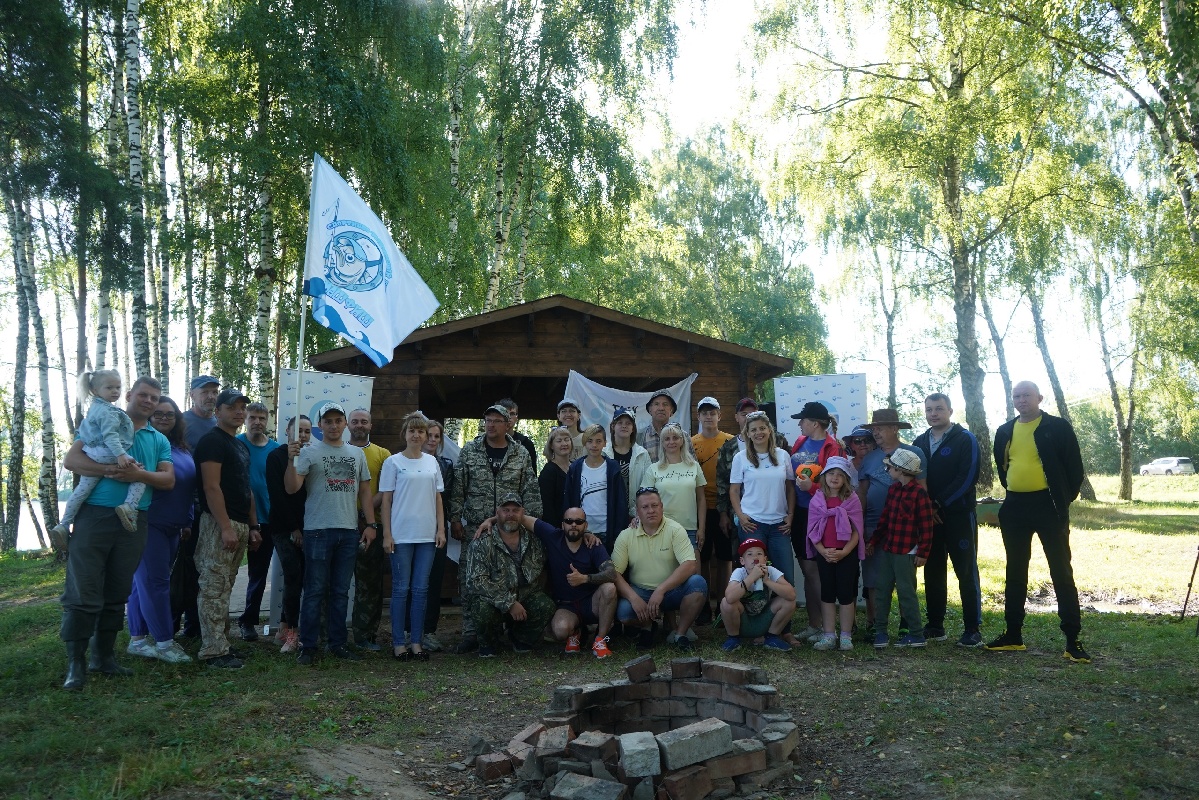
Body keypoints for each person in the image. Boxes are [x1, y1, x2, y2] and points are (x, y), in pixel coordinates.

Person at [59, 376, 174, 691]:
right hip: (93, 517)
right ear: (129, 395)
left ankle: (104, 657)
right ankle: (76, 664)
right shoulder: (104, 419)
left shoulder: (157, 439)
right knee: (82, 591)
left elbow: (168, 480)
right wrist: (110, 470)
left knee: (117, 590)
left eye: (154, 398)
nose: (149, 401)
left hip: (133, 520)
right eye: (144, 395)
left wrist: (137, 474)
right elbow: (72, 460)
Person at [986, 381, 1090, 663]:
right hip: (1015, 507)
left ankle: (1072, 640)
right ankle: (1013, 635)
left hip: (1050, 507)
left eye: (1027, 395)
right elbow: (1002, 466)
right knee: (1015, 571)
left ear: (1039, 398)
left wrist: (1061, 500)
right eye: (1017, 396)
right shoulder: (1005, 430)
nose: (1022, 400)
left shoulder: (1057, 427)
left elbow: (1074, 469)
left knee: (1061, 571)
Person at [286, 402, 378, 665]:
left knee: (340, 592)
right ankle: (309, 646)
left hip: (349, 531)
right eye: (329, 421)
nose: (334, 425)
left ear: (345, 424)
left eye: (339, 420)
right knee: (314, 590)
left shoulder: (356, 454)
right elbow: (292, 488)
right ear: (320, 425)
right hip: (317, 531)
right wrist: (292, 460)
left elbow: (364, 491)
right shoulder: (308, 452)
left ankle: (337, 644)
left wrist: (371, 525)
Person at [449, 402, 541, 652]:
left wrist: (530, 523)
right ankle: (471, 633)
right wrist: (455, 519)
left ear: (508, 424)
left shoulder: (520, 453)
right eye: (487, 420)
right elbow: (458, 487)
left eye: (497, 420)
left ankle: (509, 629)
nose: (491, 425)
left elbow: (530, 490)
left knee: (510, 579)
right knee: (469, 579)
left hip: (511, 528)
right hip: (476, 528)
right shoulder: (470, 451)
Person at [477, 506, 618, 658]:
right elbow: (521, 517)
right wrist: (491, 520)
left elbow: (611, 574)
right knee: (560, 630)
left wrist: (585, 578)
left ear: (585, 525)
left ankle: (600, 639)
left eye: (579, 521)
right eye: (569, 521)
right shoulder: (552, 536)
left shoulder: (593, 545)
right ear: (562, 524)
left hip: (591, 602)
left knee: (609, 588)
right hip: (567, 605)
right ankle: (575, 632)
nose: (574, 525)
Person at [193, 388, 261, 669]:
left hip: (240, 524)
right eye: (232, 407)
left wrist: (253, 526)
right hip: (219, 524)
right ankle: (213, 652)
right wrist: (224, 527)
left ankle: (223, 644)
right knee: (213, 587)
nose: (239, 412)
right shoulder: (212, 442)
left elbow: (247, 489)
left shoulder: (240, 445)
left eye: (242, 407)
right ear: (218, 411)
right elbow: (211, 487)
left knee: (225, 587)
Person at [125, 396, 196, 665]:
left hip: (175, 526)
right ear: (150, 417)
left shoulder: (180, 449)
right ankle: (165, 642)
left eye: (170, 414)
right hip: (148, 522)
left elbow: (188, 489)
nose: (165, 418)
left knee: (142, 583)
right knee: (155, 583)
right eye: (159, 413)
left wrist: (187, 521)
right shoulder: (143, 443)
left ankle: (138, 640)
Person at [912, 393, 983, 647]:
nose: (933, 413)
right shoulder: (919, 442)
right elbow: (912, 478)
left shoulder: (965, 439)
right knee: (932, 570)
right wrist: (926, 509)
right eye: (929, 409)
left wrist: (938, 503)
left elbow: (968, 477)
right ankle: (935, 625)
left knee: (965, 570)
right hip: (929, 519)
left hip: (959, 516)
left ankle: (973, 628)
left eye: (939, 409)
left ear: (950, 411)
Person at [379, 412, 445, 661]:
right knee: (401, 589)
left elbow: (438, 498)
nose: (416, 435)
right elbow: (386, 500)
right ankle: (399, 643)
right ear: (404, 434)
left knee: (420, 590)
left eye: (421, 432)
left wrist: (440, 529)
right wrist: (387, 533)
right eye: (412, 431)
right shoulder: (393, 462)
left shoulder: (432, 462)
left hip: (427, 536)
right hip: (401, 535)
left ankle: (416, 642)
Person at [51, 370, 146, 542]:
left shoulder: (95, 407)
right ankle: (129, 508)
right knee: (139, 476)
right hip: (108, 453)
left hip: (93, 453)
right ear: (95, 390)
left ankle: (64, 524)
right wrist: (121, 455)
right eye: (109, 387)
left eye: (117, 387)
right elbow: (110, 436)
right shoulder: (108, 412)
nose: (115, 391)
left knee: (81, 490)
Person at [857, 408, 927, 636]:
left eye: (880, 428)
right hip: (873, 525)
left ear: (895, 428)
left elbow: (923, 489)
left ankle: (907, 625)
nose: (875, 432)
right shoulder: (868, 458)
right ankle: (875, 624)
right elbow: (863, 494)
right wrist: (859, 526)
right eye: (873, 428)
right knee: (873, 576)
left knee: (906, 577)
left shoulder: (913, 453)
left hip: (906, 528)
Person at [611, 487, 708, 651]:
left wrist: (661, 589)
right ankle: (648, 626)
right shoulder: (626, 535)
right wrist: (634, 598)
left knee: (698, 583)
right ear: (637, 512)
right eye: (645, 507)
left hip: (671, 591)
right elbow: (614, 573)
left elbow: (690, 564)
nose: (651, 510)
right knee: (624, 613)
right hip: (641, 591)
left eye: (655, 505)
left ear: (662, 506)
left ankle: (680, 634)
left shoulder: (675, 530)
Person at [464, 493, 554, 657]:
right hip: (494, 599)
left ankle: (520, 639)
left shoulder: (534, 540)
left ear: (523, 513)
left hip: (525, 594)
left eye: (515, 510)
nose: (511, 514)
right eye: (506, 510)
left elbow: (562, 538)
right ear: (497, 513)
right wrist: (509, 603)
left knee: (545, 605)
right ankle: (489, 643)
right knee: (482, 609)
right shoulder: (482, 542)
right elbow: (476, 582)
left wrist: (587, 534)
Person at [789, 401, 845, 642]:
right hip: (800, 513)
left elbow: (837, 483)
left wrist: (810, 487)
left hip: (823, 515)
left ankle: (827, 627)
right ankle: (814, 624)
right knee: (807, 569)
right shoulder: (800, 442)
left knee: (819, 571)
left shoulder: (833, 447)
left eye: (802, 420)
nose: (799, 424)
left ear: (814, 423)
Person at [869, 449, 934, 649]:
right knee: (882, 590)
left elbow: (926, 526)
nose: (887, 470)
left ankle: (916, 634)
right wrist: (874, 541)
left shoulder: (919, 494)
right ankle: (880, 632)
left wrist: (923, 553)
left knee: (906, 592)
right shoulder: (894, 490)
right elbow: (885, 519)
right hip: (889, 548)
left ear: (900, 470)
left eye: (890, 467)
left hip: (906, 552)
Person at [172, 374, 220, 640]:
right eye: (205, 391)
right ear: (192, 394)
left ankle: (194, 627)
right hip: (183, 507)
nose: (211, 396)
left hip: (209, 508)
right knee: (180, 568)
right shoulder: (181, 423)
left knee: (201, 568)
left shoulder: (218, 424)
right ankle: (168, 625)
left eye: (214, 392)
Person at [729, 411, 796, 592]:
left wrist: (790, 515)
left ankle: (783, 619)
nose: (759, 432)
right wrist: (741, 516)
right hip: (753, 524)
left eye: (762, 428)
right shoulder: (740, 458)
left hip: (779, 525)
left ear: (769, 430)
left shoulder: (783, 455)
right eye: (753, 430)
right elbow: (734, 491)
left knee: (785, 576)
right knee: (755, 579)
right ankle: (758, 618)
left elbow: (790, 488)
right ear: (748, 434)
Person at [805, 456, 864, 652]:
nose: (835, 478)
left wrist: (845, 551)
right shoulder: (818, 499)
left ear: (846, 478)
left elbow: (857, 530)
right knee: (827, 593)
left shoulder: (851, 499)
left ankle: (846, 635)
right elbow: (812, 529)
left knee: (846, 594)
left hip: (847, 554)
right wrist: (822, 550)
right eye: (831, 473)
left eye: (840, 474)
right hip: (825, 553)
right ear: (824, 476)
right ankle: (829, 634)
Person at [235, 401, 280, 641]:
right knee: (226, 574)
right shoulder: (235, 444)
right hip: (237, 518)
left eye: (262, 418)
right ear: (245, 419)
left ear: (268, 421)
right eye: (253, 417)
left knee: (258, 574)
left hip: (268, 520)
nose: (257, 423)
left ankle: (248, 621)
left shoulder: (276, 449)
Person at [348, 408, 391, 651]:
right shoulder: (337, 451)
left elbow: (387, 489)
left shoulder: (383, 454)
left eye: (364, 422)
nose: (359, 425)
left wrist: (366, 512)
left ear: (370, 426)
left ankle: (365, 636)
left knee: (370, 585)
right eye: (355, 421)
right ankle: (329, 637)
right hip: (342, 524)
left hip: (372, 526)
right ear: (348, 425)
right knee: (335, 583)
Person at [266, 415, 310, 653]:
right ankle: (290, 632)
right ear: (287, 432)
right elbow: (278, 496)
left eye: (306, 432)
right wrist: (294, 529)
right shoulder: (276, 456)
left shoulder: (311, 456)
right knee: (293, 576)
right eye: (298, 431)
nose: (302, 436)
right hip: (284, 529)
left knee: (301, 579)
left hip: (308, 528)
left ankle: (285, 628)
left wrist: (304, 528)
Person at [692, 397, 734, 622]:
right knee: (704, 557)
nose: (709, 416)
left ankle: (724, 606)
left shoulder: (731, 441)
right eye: (704, 413)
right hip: (700, 507)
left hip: (725, 507)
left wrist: (727, 509)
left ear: (720, 415)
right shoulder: (691, 442)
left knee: (726, 557)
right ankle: (705, 607)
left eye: (713, 412)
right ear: (698, 417)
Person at [719, 538, 796, 652]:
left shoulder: (770, 570)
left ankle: (772, 638)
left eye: (759, 554)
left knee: (788, 601)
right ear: (742, 561)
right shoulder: (739, 572)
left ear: (765, 559)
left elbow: (791, 595)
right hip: (742, 622)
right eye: (749, 554)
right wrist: (751, 577)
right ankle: (733, 639)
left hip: (764, 621)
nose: (755, 557)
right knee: (726, 602)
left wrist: (767, 581)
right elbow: (729, 597)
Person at [417, 419, 455, 652]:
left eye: (436, 436)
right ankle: (410, 631)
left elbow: (445, 498)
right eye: (428, 435)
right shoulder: (402, 461)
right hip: (411, 530)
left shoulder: (446, 465)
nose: (431, 440)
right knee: (412, 583)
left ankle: (429, 632)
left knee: (433, 582)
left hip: (436, 530)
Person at [644, 422, 706, 555]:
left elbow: (701, 499)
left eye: (675, 438)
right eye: (667, 438)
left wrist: (702, 529)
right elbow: (644, 501)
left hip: (689, 529)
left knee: (695, 574)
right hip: (661, 529)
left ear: (682, 440)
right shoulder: (653, 469)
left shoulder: (693, 466)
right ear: (662, 443)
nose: (671, 442)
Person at [564, 424, 629, 550]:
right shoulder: (575, 468)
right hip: (582, 530)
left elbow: (620, 502)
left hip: (607, 530)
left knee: (607, 568)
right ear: (585, 443)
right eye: (590, 441)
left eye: (598, 441)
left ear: (605, 443)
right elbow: (569, 501)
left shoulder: (613, 468)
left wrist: (618, 533)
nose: (594, 445)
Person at [716, 397, 758, 542]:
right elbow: (722, 483)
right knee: (743, 558)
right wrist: (723, 514)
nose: (748, 418)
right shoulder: (728, 448)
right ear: (736, 418)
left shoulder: (775, 443)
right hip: (739, 515)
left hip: (770, 514)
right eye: (744, 414)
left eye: (752, 414)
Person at [604, 406, 651, 519]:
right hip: (608, 512)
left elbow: (648, 485)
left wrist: (639, 511)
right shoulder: (603, 453)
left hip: (635, 514)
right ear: (613, 426)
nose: (624, 426)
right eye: (620, 422)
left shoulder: (642, 454)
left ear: (633, 428)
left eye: (628, 423)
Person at [539, 426, 574, 528]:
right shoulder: (548, 472)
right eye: (559, 441)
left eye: (566, 440)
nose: (564, 444)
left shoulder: (576, 467)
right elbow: (546, 506)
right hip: (557, 528)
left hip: (577, 525)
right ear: (551, 445)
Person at [497, 398, 538, 471]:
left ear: (517, 418)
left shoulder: (526, 444)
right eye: (505, 412)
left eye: (512, 414)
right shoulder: (483, 443)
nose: (508, 417)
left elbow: (532, 477)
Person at [638, 389, 676, 463]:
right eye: (656, 404)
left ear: (671, 411)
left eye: (665, 404)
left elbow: (692, 466)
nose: (661, 408)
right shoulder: (639, 437)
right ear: (650, 410)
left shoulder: (682, 436)